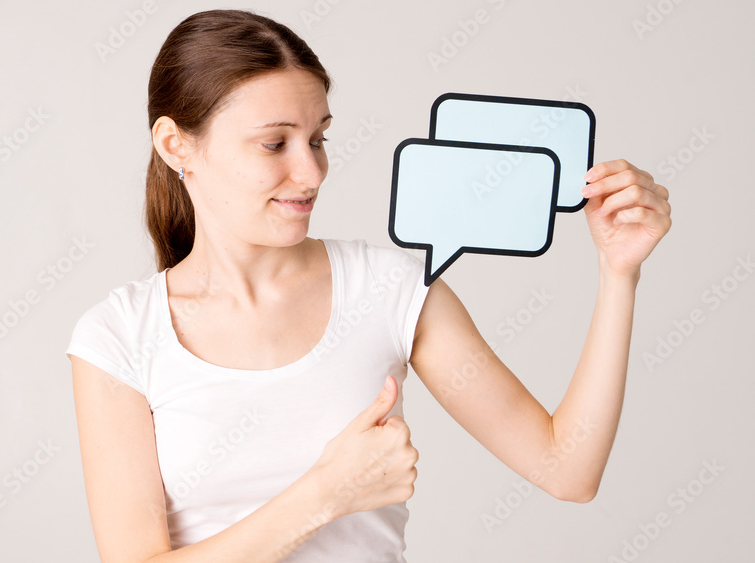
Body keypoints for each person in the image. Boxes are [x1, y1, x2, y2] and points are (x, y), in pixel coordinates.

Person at [65, 9, 671, 563]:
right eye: (275, 143)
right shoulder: (118, 338)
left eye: (319, 138)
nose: (311, 172)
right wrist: (326, 495)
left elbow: (568, 469)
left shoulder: (388, 290)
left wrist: (619, 274)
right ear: (176, 146)